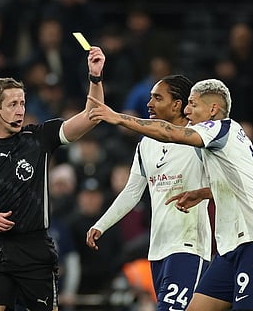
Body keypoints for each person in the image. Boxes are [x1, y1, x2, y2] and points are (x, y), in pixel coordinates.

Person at [87, 78, 253, 311]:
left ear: (213, 109)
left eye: (193, 104)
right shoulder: (218, 143)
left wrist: (119, 118)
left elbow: (173, 134)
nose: (187, 110)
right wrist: (204, 193)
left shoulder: (222, 128)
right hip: (229, 246)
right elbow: (242, 182)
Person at [0, 46, 106, 311]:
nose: (20, 110)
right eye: (12, 104)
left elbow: (92, 116)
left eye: (22, 103)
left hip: (34, 251)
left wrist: (95, 77)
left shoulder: (39, 139)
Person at [86, 75, 213, 311]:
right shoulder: (146, 143)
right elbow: (132, 192)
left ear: (177, 104)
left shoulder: (200, 138)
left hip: (189, 246)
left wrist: (203, 193)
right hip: (157, 250)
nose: (149, 104)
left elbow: (228, 183)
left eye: (157, 98)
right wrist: (101, 225)